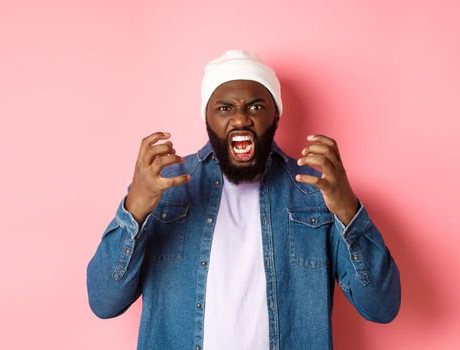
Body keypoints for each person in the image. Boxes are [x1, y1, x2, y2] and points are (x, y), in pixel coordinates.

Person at [86, 50, 401, 350]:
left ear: (275, 114)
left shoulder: (317, 193)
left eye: (255, 107)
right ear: (207, 117)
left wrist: (346, 207)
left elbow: (382, 307)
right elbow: (104, 301)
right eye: (224, 108)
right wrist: (136, 208)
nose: (240, 119)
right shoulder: (164, 188)